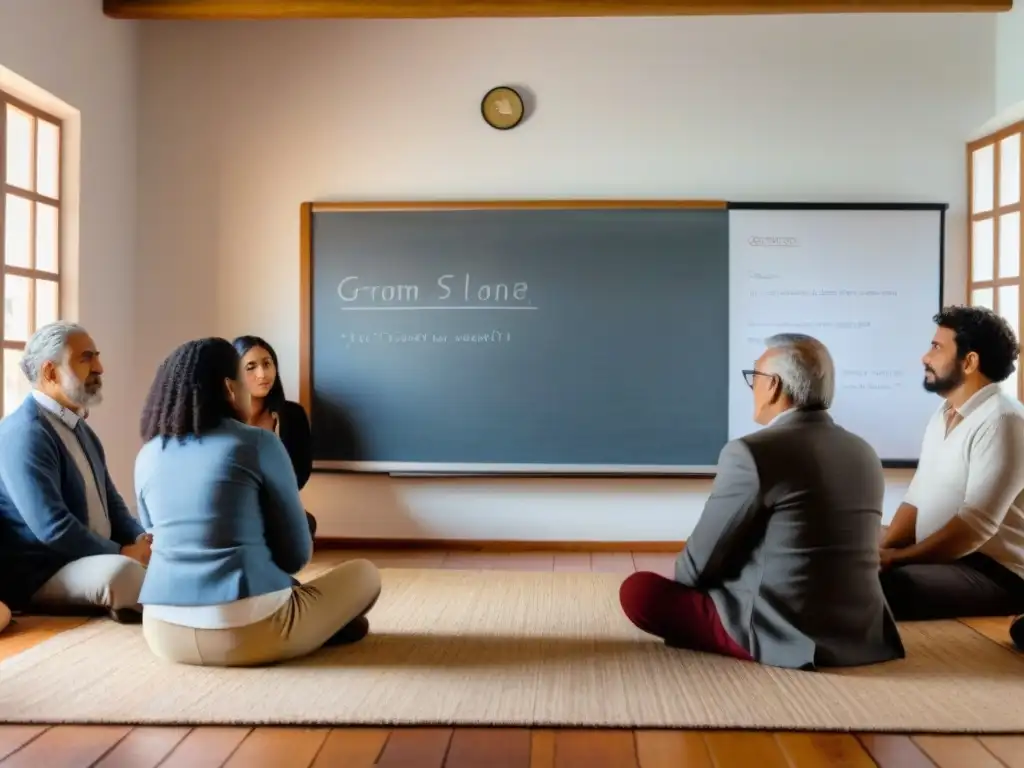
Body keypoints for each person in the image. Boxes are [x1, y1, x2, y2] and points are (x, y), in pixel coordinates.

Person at [619, 333, 905, 670]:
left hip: (788, 631)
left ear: (773, 386)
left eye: (754, 377)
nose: (752, 388)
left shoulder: (753, 452)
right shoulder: (864, 452)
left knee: (639, 592)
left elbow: (697, 566)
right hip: (862, 633)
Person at [136, 337, 380, 667]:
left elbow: (154, 534)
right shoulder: (259, 442)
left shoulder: (148, 454)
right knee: (365, 574)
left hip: (162, 634)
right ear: (228, 386)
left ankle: (322, 627)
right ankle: (320, 629)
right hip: (248, 633)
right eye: (245, 372)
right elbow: (296, 555)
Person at [879, 305, 1024, 620]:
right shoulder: (944, 414)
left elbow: (975, 527)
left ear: (969, 361)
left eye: (936, 347)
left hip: (995, 572)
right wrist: (881, 549)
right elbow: (916, 498)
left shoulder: (1005, 418)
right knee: (846, 562)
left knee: (887, 584)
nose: (925, 357)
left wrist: (898, 558)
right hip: (945, 562)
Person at [0, 322, 150, 622]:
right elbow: (53, 528)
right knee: (124, 572)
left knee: (162, 553)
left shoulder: (80, 428)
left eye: (96, 356)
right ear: (50, 372)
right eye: (85, 358)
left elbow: (112, 502)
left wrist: (141, 540)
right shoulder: (24, 433)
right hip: (43, 572)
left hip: (94, 557)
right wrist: (122, 553)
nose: (100, 367)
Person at [232, 335, 317, 538]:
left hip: (274, 504)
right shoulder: (222, 418)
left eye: (267, 364)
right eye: (251, 367)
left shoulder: (292, 415)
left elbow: (300, 471)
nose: (262, 374)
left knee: (305, 523)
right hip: (230, 505)